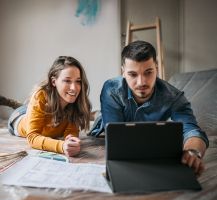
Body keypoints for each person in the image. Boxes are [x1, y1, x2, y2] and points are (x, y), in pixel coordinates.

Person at [89, 40, 209, 176]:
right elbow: (116, 137)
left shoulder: (173, 97)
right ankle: (91, 114)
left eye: (148, 72)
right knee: (99, 117)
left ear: (156, 68)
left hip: (142, 124)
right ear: (123, 72)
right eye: (133, 74)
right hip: (112, 117)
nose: (141, 82)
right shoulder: (111, 89)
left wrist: (193, 152)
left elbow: (192, 130)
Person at [8, 56, 91, 157]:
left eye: (78, 81)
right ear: (53, 82)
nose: (74, 88)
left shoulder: (75, 103)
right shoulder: (41, 95)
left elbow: (71, 131)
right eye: (67, 81)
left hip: (44, 108)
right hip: (18, 117)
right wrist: (61, 146)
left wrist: (71, 141)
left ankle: (25, 105)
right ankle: (14, 103)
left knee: (31, 106)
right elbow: (32, 137)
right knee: (26, 107)